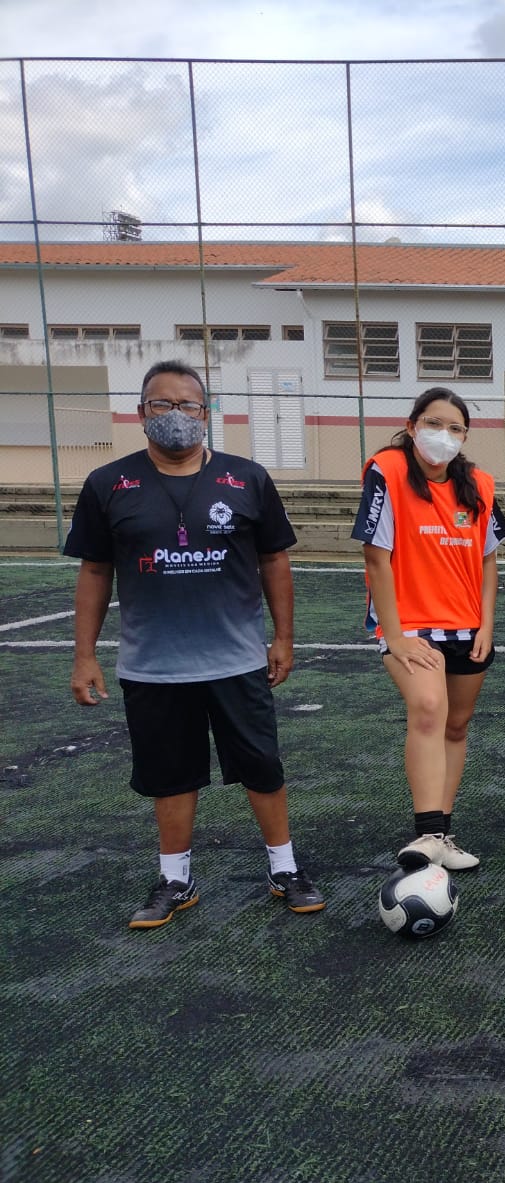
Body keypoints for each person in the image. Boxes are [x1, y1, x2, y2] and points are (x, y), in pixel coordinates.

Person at [65, 360, 324, 928]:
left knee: (261, 765)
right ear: (141, 414)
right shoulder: (109, 484)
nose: (176, 415)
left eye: (188, 405)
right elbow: (94, 571)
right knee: (171, 775)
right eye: (162, 404)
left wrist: (283, 637)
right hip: (153, 666)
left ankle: (284, 867)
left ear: (206, 415)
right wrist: (85, 654)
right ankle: (175, 879)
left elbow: (275, 560)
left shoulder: (247, 478)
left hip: (235, 659)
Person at [354, 387, 505, 871]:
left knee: (456, 726)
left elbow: (488, 561)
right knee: (427, 707)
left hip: (467, 624)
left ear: (465, 436)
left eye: (455, 427)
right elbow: (376, 558)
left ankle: (442, 834)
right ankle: (425, 836)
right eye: (433, 423)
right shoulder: (387, 470)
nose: (443, 435)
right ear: (412, 424)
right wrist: (396, 634)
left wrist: (486, 624)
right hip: (411, 625)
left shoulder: (480, 484)